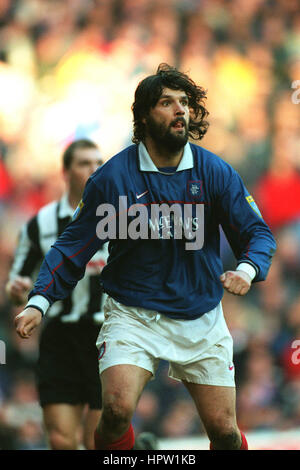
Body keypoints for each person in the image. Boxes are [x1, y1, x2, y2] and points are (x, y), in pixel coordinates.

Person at [15, 64, 277, 450]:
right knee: (116, 410)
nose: (180, 111)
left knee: (224, 433)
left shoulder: (214, 172)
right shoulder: (112, 179)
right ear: (143, 116)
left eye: (185, 103)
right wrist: (39, 301)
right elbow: (72, 247)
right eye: (167, 103)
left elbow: (257, 232)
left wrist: (247, 267)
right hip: (133, 314)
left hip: (200, 315)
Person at [7, 139, 107, 450]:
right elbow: (19, 280)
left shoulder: (122, 218)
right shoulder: (41, 224)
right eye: (84, 163)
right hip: (60, 337)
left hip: (108, 336)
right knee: (62, 439)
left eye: (99, 164)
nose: (94, 170)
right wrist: (17, 291)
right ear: (65, 172)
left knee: (99, 440)